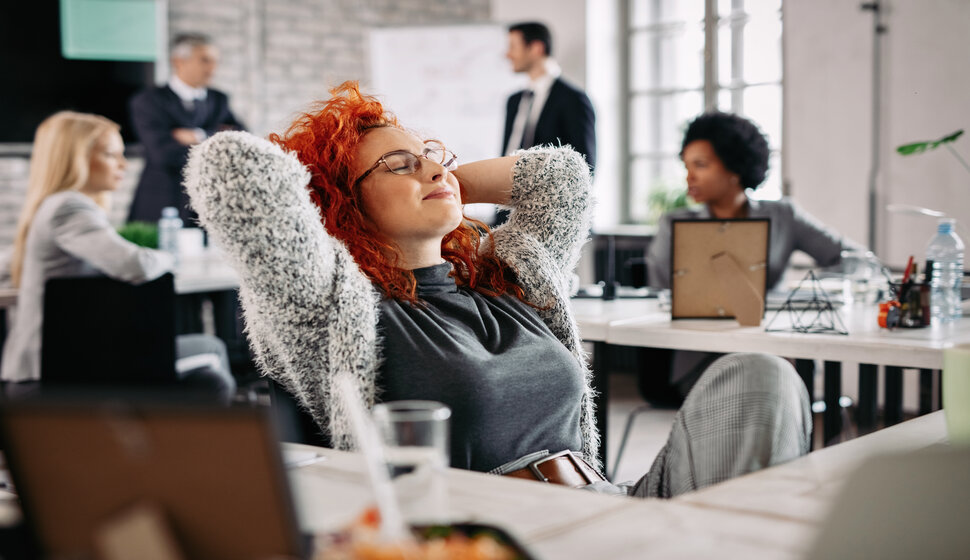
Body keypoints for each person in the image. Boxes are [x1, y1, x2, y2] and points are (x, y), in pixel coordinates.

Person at [185, 82, 810, 499]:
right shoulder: (334, 308)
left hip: (610, 507)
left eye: (432, 155)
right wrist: (335, 185)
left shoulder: (511, 275)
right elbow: (234, 172)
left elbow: (562, 178)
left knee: (761, 376)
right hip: (501, 536)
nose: (431, 167)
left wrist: (436, 178)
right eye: (398, 166)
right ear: (340, 200)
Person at [1, 111, 236, 403]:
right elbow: (134, 264)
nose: (124, 165)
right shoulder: (69, 208)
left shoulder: (53, 206)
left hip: (63, 360)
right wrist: (170, 256)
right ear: (77, 159)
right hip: (54, 370)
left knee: (208, 348)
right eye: (112, 155)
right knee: (211, 365)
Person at [643, 111, 863, 403]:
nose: (689, 176)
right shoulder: (674, 224)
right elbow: (660, 290)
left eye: (701, 165)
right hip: (703, 354)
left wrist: (810, 289)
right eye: (686, 166)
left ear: (734, 168)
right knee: (764, 389)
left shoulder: (783, 216)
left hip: (772, 344)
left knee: (775, 381)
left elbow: (855, 259)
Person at [127, 33, 245, 225]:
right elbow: (162, 153)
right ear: (179, 62)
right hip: (162, 201)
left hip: (208, 203)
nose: (212, 68)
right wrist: (216, 139)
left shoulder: (219, 100)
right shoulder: (148, 100)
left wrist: (197, 135)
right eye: (205, 61)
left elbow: (241, 138)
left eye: (215, 61)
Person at [502, 22, 596, 171]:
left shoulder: (573, 100)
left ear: (536, 48)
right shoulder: (514, 101)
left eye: (513, 47)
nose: (507, 55)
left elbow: (585, 169)